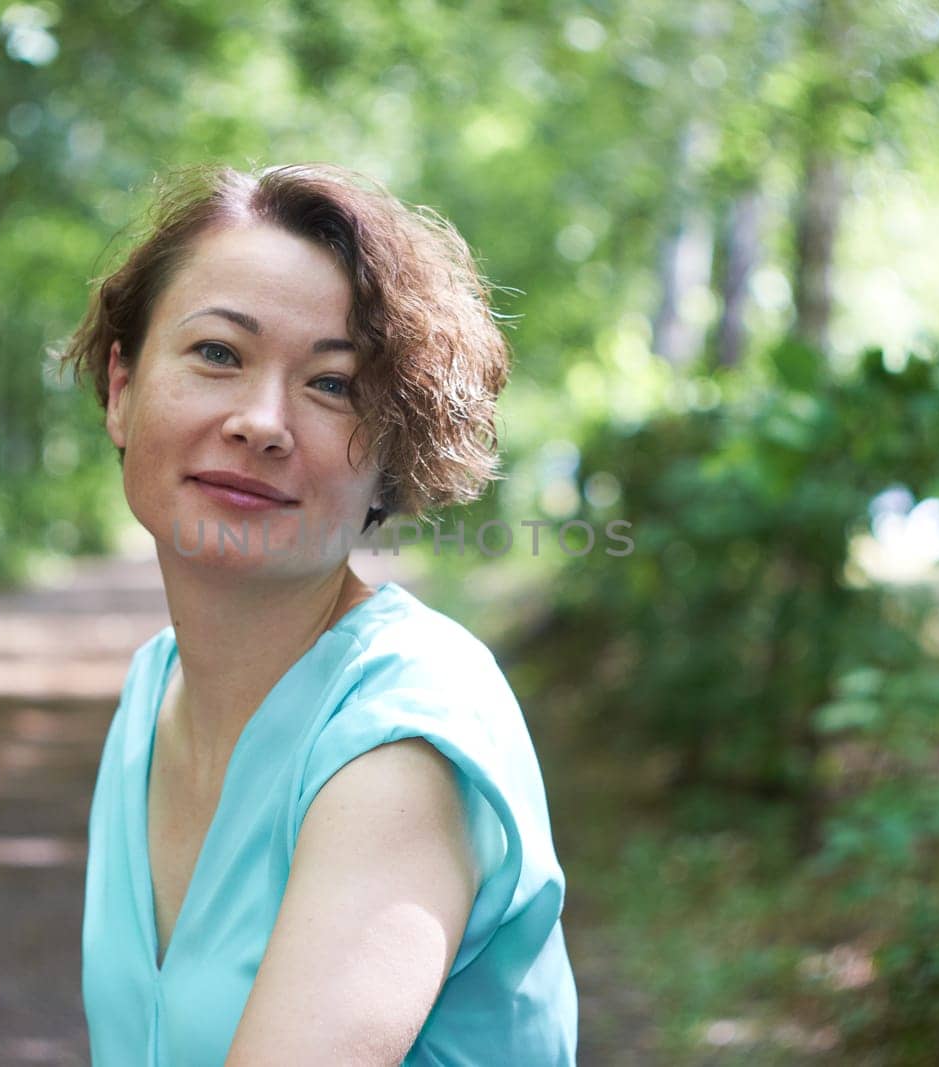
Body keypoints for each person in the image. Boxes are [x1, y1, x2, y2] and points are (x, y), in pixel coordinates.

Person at [62, 163, 578, 1064]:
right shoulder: (156, 687)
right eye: (218, 353)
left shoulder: (402, 737)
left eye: (333, 385)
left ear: (391, 452)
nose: (262, 421)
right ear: (122, 387)